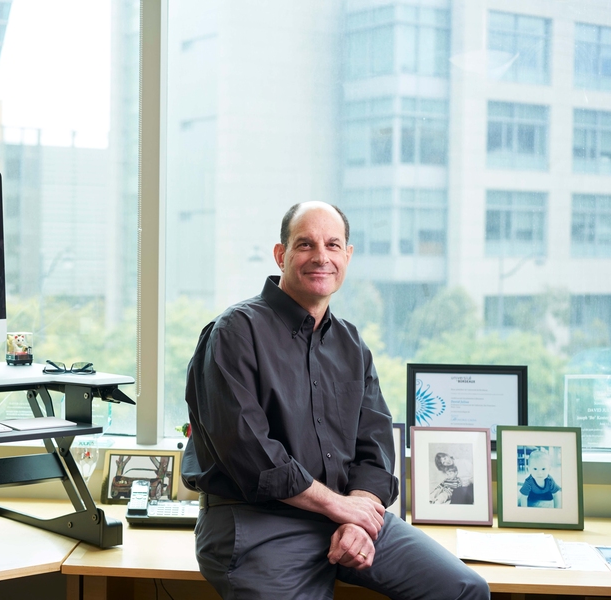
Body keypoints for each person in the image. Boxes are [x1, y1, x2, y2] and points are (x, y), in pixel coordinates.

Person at [181, 201, 490, 600]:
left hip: (343, 516)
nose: (321, 257)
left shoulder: (351, 344)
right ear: (281, 254)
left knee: (466, 590)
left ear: (347, 255)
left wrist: (358, 517)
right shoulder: (234, 332)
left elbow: (375, 444)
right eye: (306, 244)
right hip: (258, 523)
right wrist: (338, 508)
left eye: (332, 245)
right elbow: (251, 457)